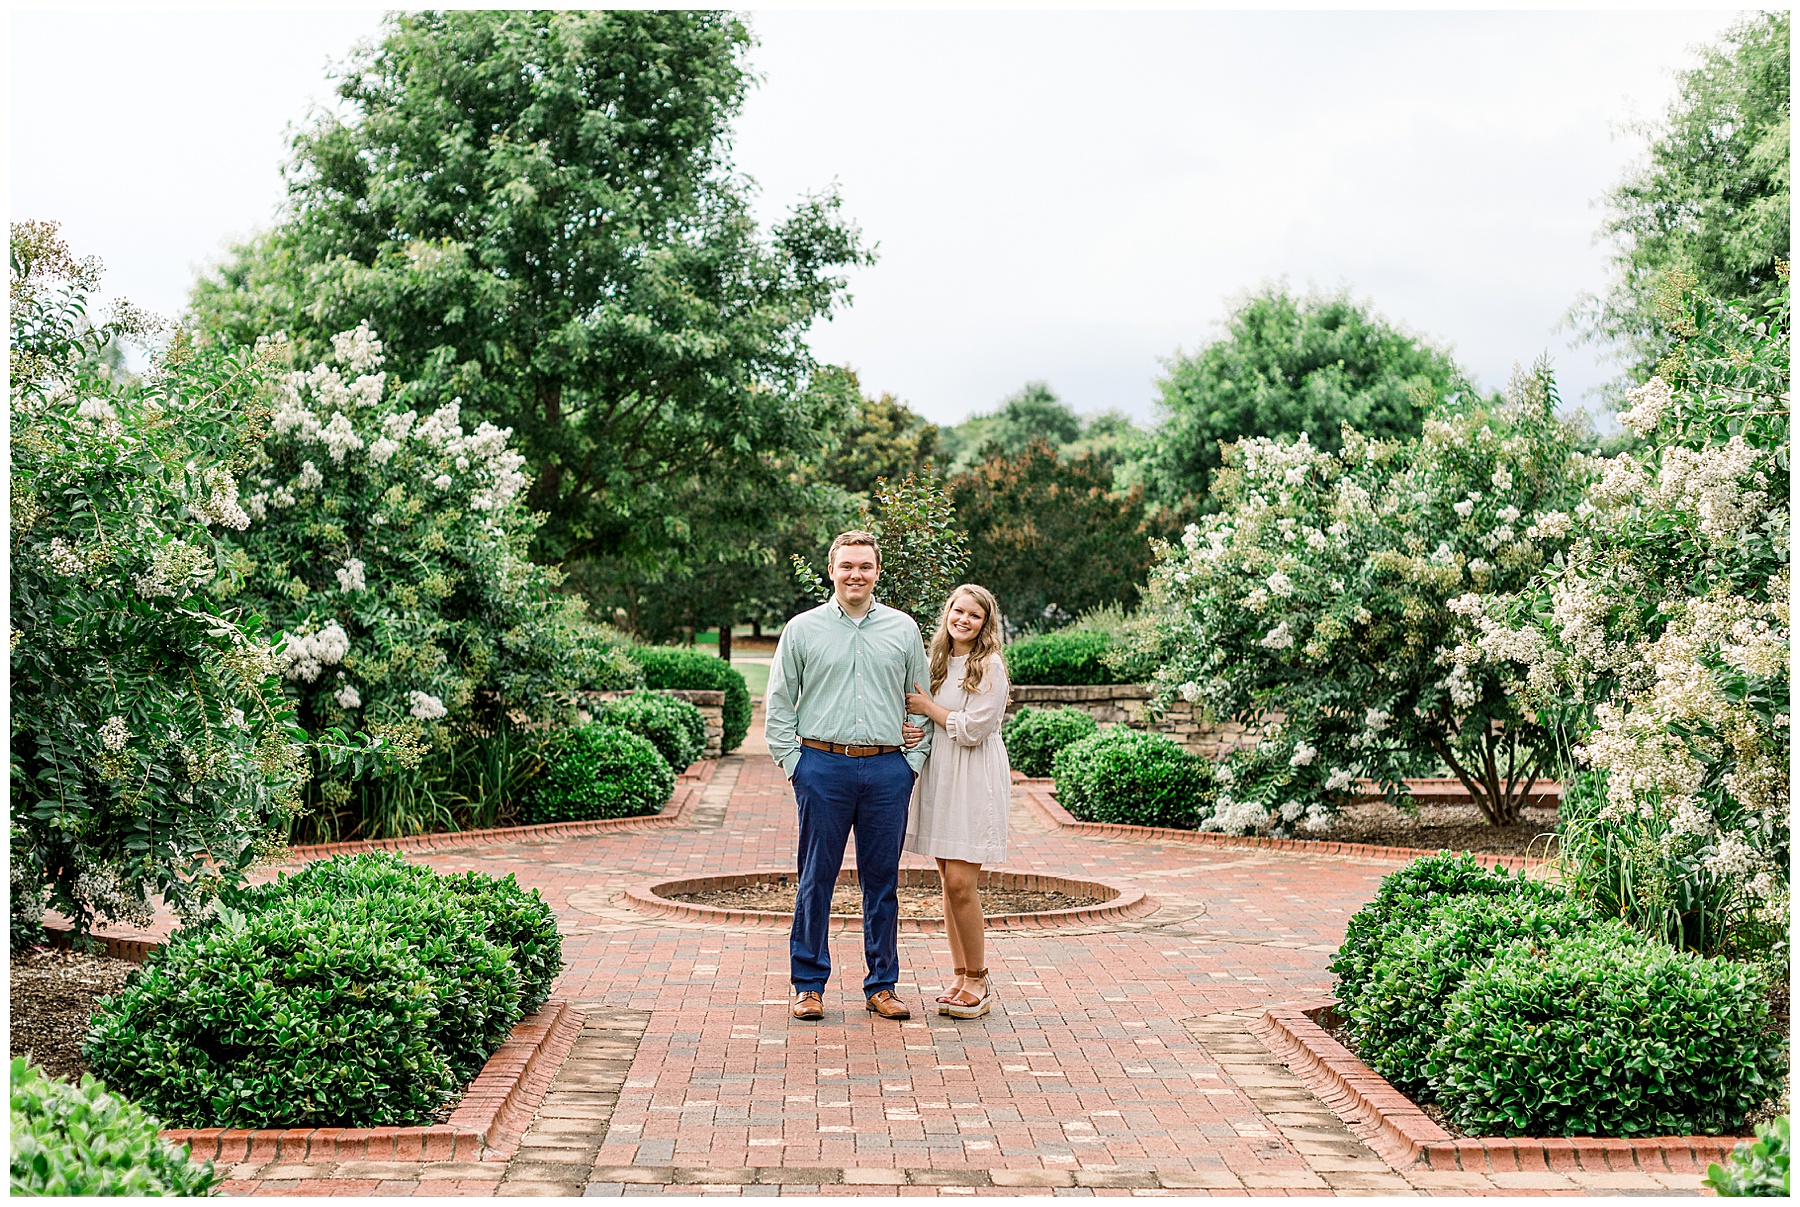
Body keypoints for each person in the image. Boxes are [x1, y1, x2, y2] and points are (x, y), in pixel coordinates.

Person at [764, 530, 932, 1022]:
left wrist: (910, 765)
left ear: (877, 572)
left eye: (865, 566)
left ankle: (882, 984)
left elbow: (918, 700)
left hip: (887, 770)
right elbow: (778, 704)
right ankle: (808, 984)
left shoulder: (902, 630)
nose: (855, 574)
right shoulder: (802, 629)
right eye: (847, 566)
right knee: (816, 878)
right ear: (832, 570)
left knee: (882, 883)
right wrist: (797, 767)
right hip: (822, 767)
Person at [902, 584, 1010, 1019]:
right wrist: (914, 728)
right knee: (948, 883)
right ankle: (961, 974)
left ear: (986, 624)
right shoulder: (938, 662)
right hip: (941, 776)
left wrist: (928, 710)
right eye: (957, 611)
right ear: (947, 612)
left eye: (974, 615)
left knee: (963, 884)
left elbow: (973, 729)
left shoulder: (990, 667)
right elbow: (924, 719)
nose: (963, 620)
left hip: (974, 780)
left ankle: (980, 981)